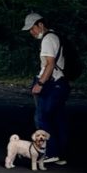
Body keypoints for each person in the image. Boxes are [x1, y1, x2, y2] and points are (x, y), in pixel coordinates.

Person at [21, 12, 69, 165]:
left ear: (40, 24)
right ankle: (60, 154)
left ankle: (51, 153)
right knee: (57, 119)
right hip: (60, 83)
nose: (31, 32)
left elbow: (49, 64)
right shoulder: (55, 36)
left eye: (32, 28)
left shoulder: (48, 39)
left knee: (42, 118)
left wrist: (40, 84)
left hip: (51, 83)